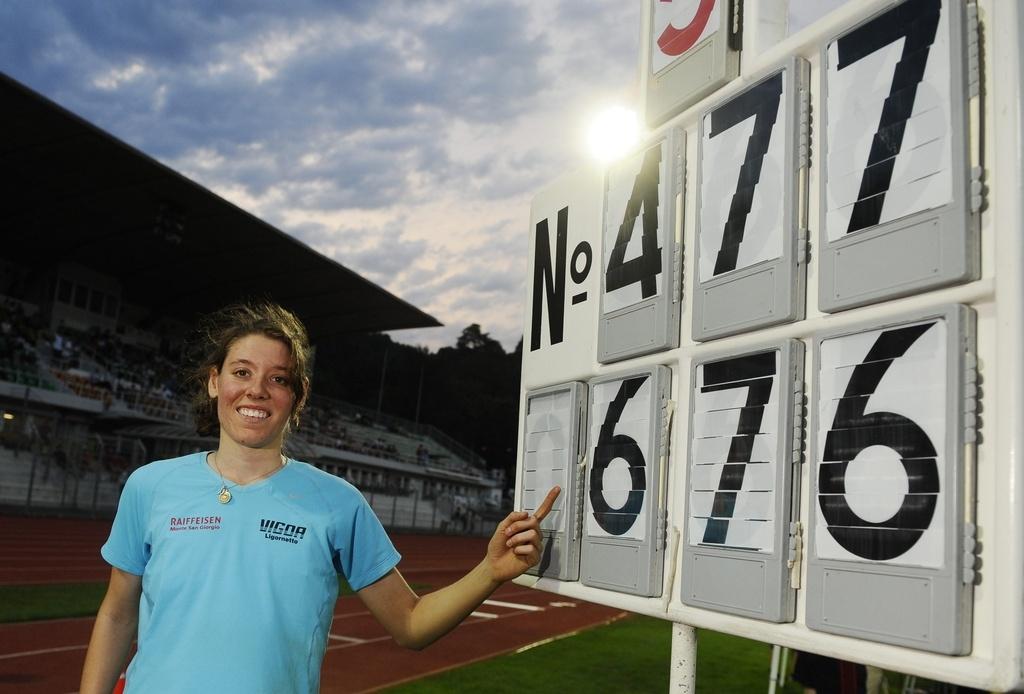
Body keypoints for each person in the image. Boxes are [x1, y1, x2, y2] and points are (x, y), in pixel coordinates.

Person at [80, 301, 558, 694]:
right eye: (241, 372)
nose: (256, 390)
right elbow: (119, 611)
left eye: (278, 379)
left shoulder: (338, 503)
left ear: (298, 395)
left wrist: (489, 572)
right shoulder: (150, 486)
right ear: (214, 382)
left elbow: (410, 624)